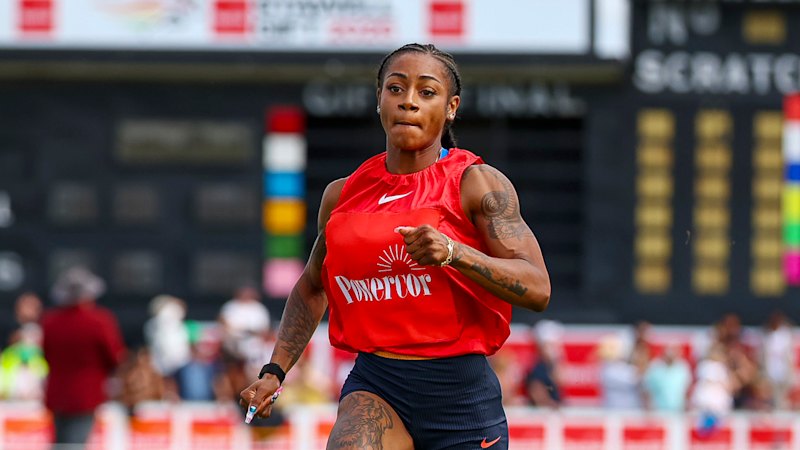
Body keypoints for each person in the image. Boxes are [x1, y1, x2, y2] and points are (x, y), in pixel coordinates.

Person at [240, 43, 550, 450]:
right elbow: (313, 286)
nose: (408, 101)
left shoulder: (477, 184)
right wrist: (275, 372)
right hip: (377, 383)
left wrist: (455, 253)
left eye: (427, 91)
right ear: (379, 99)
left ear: (451, 107)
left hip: (459, 395)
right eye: (396, 88)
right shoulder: (343, 195)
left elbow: (538, 288)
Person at [41, 267, 127, 449]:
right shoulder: (99, 321)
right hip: (87, 394)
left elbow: (46, 354)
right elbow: (114, 356)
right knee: (77, 442)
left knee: (60, 441)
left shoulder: (50, 321)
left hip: (57, 393)